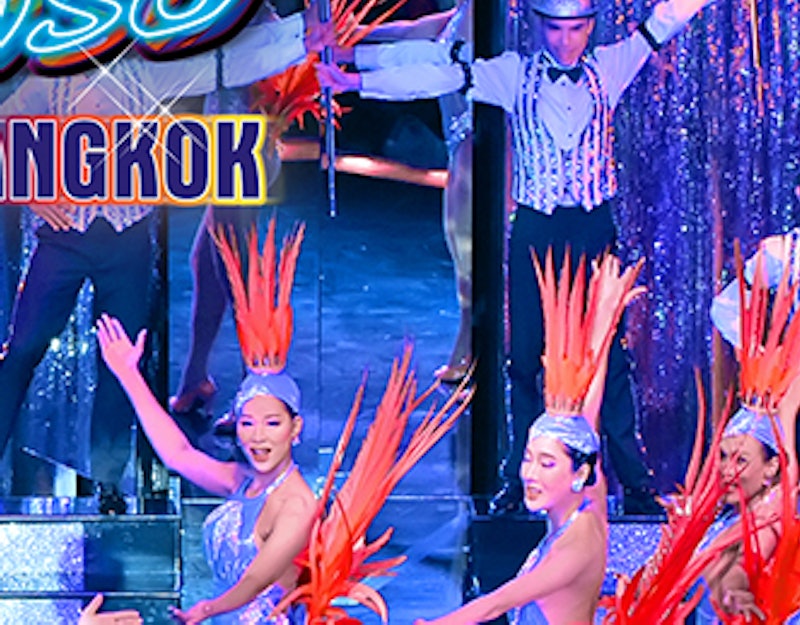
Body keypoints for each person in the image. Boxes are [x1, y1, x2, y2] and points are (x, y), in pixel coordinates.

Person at [317, 0, 711, 515]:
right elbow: (435, 74)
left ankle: (635, 486)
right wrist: (354, 83)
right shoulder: (512, 74)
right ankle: (518, 480)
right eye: (555, 29)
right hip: (535, 232)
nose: (565, 41)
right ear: (538, 26)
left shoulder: (611, 66)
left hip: (593, 231)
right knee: (524, 360)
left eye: (576, 29)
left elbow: (667, 18)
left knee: (610, 358)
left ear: (589, 28)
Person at [0, 4, 322, 508]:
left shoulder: (150, 71)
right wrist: (30, 188)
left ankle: (108, 483)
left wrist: (305, 36)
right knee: (21, 351)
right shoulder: (47, 76)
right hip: (62, 243)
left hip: (127, 245)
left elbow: (227, 65)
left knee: (121, 368)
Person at [95, 219, 316, 623]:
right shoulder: (243, 481)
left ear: (295, 429)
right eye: (247, 423)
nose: (258, 437)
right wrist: (128, 374)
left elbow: (256, 579)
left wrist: (207, 609)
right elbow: (178, 454)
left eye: (272, 424)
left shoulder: (298, 505)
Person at [414, 250, 643, 624]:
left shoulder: (576, 546)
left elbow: (497, 603)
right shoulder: (587, 503)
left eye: (547, 463)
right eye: (528, 459)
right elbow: (588, 416)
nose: (530, 475)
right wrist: (604, 323)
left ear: (580, 473)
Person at [325, 0, 473, 383]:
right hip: (462, 142)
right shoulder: (463, 12)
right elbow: (413, 32)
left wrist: (355, 75)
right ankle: (474, 342)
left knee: (470, 248)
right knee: (462, 248)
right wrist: (352, 42)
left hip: (481, 143)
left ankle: (475, 346)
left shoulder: (490, 15)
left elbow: (437, 70)